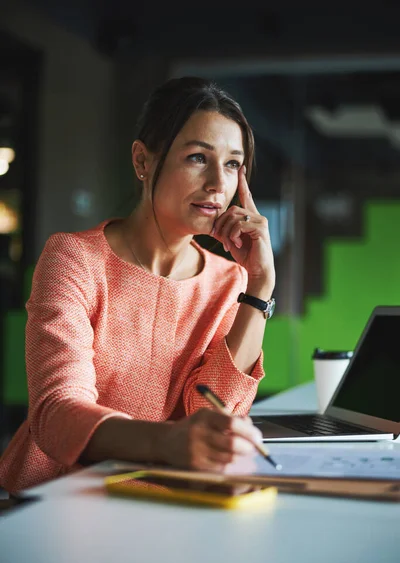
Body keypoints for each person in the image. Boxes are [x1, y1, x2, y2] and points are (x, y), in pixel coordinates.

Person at [0, 77, 275, 493]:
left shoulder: (230, 281)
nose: (220, 183)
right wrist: (168, 442)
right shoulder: (74, 259)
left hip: (160, 495)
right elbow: (56, 413)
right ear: (143, 161)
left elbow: (211, 409)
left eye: (234, 164)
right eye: (199, 157)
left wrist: (260, 285)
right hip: (54, 495)